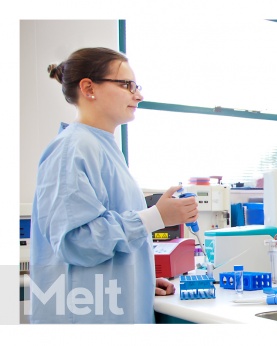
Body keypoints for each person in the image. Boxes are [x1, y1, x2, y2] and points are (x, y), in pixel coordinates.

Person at [30, 47, 198, 323]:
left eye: (137, 86)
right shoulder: (72, 149)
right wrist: (157, 216)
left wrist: (136, 280)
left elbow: (110, 240)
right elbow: (77, 242)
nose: (139, 95)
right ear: (88, 88)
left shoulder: (103, 148)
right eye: (126, 85)